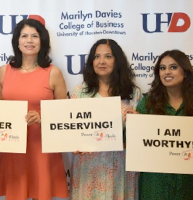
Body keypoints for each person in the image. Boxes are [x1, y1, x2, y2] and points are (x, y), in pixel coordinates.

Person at [0, 18, 69, 200]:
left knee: (41, 194)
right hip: (13, 148)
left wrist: (43, 118)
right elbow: (0, 111)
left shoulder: (53, 73)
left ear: (42, 41)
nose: (29, 40)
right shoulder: (5, 71)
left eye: (34, 36)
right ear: (17, 42)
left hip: (42, 148)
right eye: (24, 36)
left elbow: (65, 116)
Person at [70, 39, 141, 200]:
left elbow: (141, 139)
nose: (101, 61)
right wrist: (74, 143)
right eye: (97, 57)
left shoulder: (133, 94)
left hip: (120, 168)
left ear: (117, 60)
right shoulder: (80, 92)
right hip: (88, 168)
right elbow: (71, 132)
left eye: (108, 56)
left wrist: (136, 124)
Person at [137, 49, 193, 200]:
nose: (167, 72)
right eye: (162, 68)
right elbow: (132, 141)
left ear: (186, 72)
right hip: (155, 184)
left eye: (173, 67)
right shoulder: (148, 103)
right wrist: (131, 124)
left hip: (187, 183)